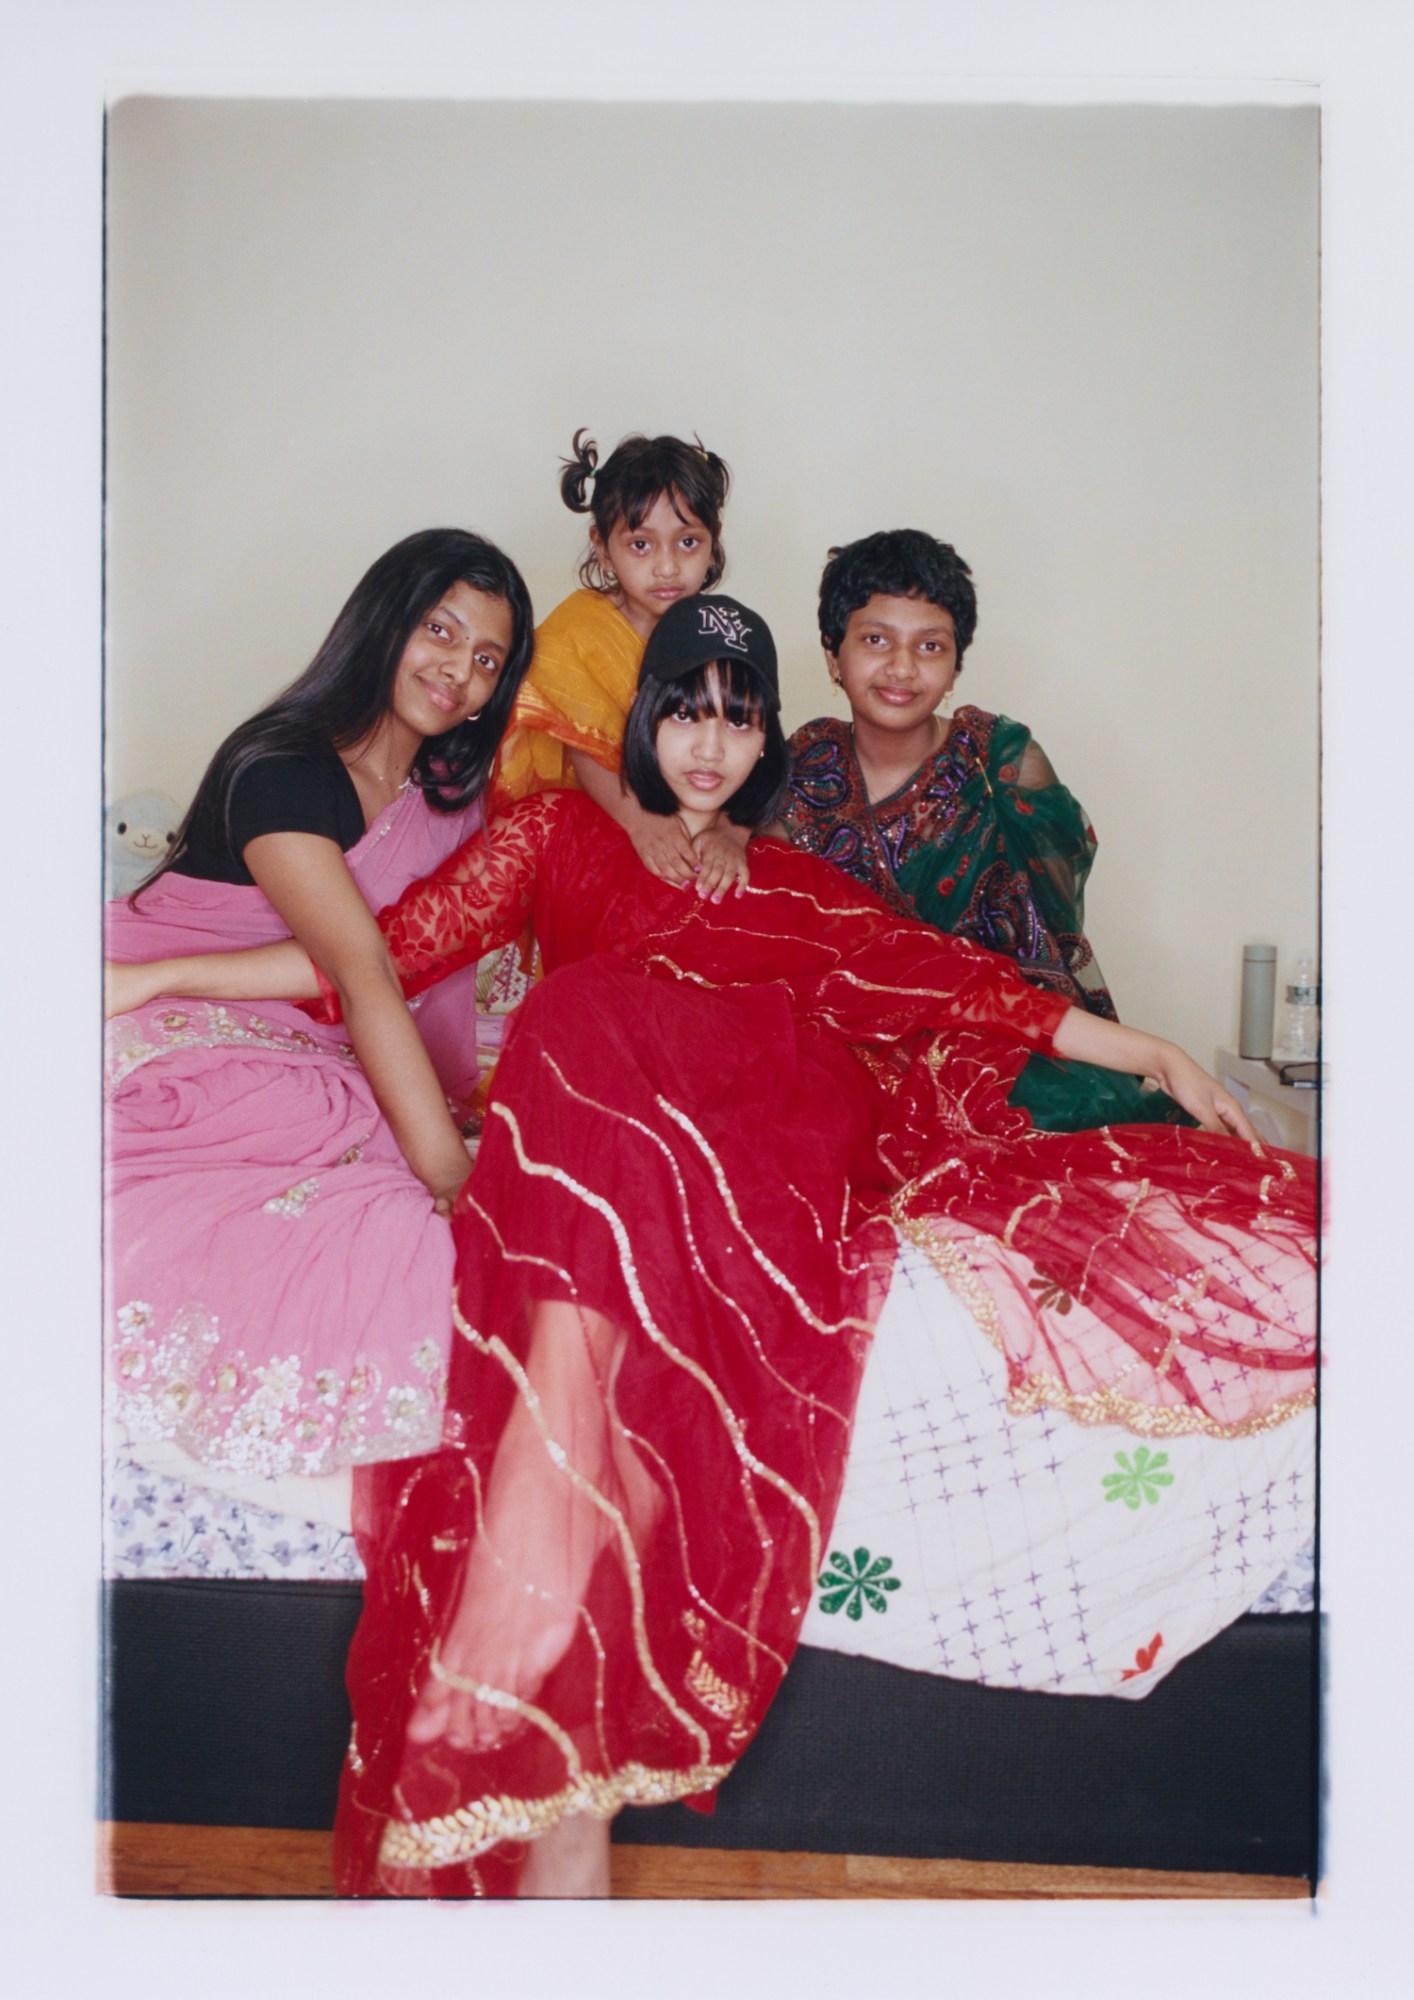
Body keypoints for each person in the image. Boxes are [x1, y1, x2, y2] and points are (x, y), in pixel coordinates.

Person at [132, 593, 1315, 1898]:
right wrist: (162, 977)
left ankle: (558, 1768)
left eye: (733, 717)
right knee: (579, 1024)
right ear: (641, 726)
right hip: (588, 1155)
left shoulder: (802, 896)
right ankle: (558, 1777)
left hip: (732, 1164)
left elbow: (954, 987)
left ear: (763, 747)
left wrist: (1143, 1047)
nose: (705, 741)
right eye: (681, 710)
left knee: (622, 1048)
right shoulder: (553, 837)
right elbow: (378, 952)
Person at [104, 528, 535, 1477]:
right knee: (323, 1157)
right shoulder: (282, 766)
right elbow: (362, 968)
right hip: (174, 998)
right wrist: (448, 1174)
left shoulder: (445, 790)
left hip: (301, 1008)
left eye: (486, 659)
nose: (458, 670)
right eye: (441, 629)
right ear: (385, 621)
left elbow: (377, 959)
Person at [778, 528, 1186, 1129]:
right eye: (874, 639)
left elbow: (1056, 906)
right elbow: (775, 928)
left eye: (930, 646)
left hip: (1005, 1046)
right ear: (832, 658)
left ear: (956, 666)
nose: (901, 667)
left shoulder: (997, 759)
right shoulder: (802, 768)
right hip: (848, 1052)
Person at [489, 427, 752, 899]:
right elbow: (579, 745)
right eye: (641, 545)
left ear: (714, 540)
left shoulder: (723, 631)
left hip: (696, 827)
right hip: (603, 821)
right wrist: (639, 820)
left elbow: (751, 747)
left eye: (688, 542)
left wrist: (730, 834)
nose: (667, 567)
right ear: (602, 546)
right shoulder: (578, 630)